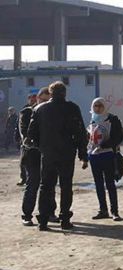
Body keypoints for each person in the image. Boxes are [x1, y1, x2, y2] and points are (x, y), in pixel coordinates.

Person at [27, 81, 89, 231]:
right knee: (66, 186)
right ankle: (65, 219)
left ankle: (43, 220)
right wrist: (82, 154)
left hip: (48, 153)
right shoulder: (72, 108)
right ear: (64, 93)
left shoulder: (40, 109)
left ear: (50, 93)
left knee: (46, 186)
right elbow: (80, 133)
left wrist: (41, 146)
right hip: (67, 153)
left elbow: (31, 133)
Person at [19, 88, 59, 226]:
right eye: (43, 100)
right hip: (32, 155)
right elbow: (25, 134)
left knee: (49, 185)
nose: (45, 103)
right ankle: (27, 215)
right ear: (37, 99)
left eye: (48, 101)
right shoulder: (27, 113)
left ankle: (50, 213)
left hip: (48, 154)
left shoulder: (53, 114)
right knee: (33, 184)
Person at [86, 98, 123, 221]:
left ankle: (115, 211)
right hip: (94, 156)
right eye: (95, 105)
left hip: (108, 155)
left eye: (100, 105)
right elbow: (90, 139)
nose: (98, 108)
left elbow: (118, 137)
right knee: (98, 184)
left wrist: (105, 145)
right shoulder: (92, 120)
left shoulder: (112, 119)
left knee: (110, 183)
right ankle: (103, 210)